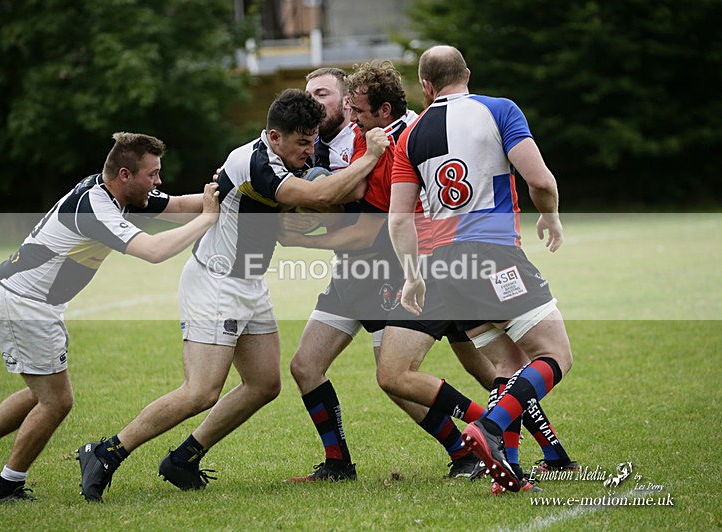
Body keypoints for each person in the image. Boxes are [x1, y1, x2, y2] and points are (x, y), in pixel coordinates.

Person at [76, 89, 389, 502]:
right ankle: (105, 451)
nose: (310, 150)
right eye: (301, 142)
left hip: (250, 284)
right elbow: (320, 195)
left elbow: (340, 193)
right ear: (274, 136)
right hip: (216, 283)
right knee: (201, 391)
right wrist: (370, 157)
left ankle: (184, 458)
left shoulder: (293, 156)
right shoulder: (256, 162)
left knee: (263, 384)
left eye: (313, 139)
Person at [0, 132, 221, 503]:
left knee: (39, 393)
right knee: (56, 401)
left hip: (28, 301)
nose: (158, 181)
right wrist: (208, 219)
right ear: (125, 174)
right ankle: (9, 486)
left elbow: (175, 205)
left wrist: (223, 192)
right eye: (153, 174)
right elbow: (155, 251)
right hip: (22, 303)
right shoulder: (95, 207)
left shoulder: (117, 192)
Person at [279, 60, 484, 481]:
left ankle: (472, 448)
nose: (314, 103)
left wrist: (307, 227)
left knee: (397, 378)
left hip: (388, 270)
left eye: (324, 95)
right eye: (309, 94)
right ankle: (338, 464)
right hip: (351, 273)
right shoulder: (325, 140)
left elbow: (366, 224)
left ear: (347, 100)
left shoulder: (380, 139)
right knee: (305, 366)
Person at [382, 45, 574, 493]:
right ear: (467, 73)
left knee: (507, 366)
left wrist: (413, 274)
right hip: (493, 254)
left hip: (442, 269)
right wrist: (550, 214)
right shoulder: (500, 110)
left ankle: (508, 471)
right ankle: (490, 426)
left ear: (425, 87)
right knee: (555, 355)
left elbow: (398, 219)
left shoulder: (408, 137)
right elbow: (541, 180)